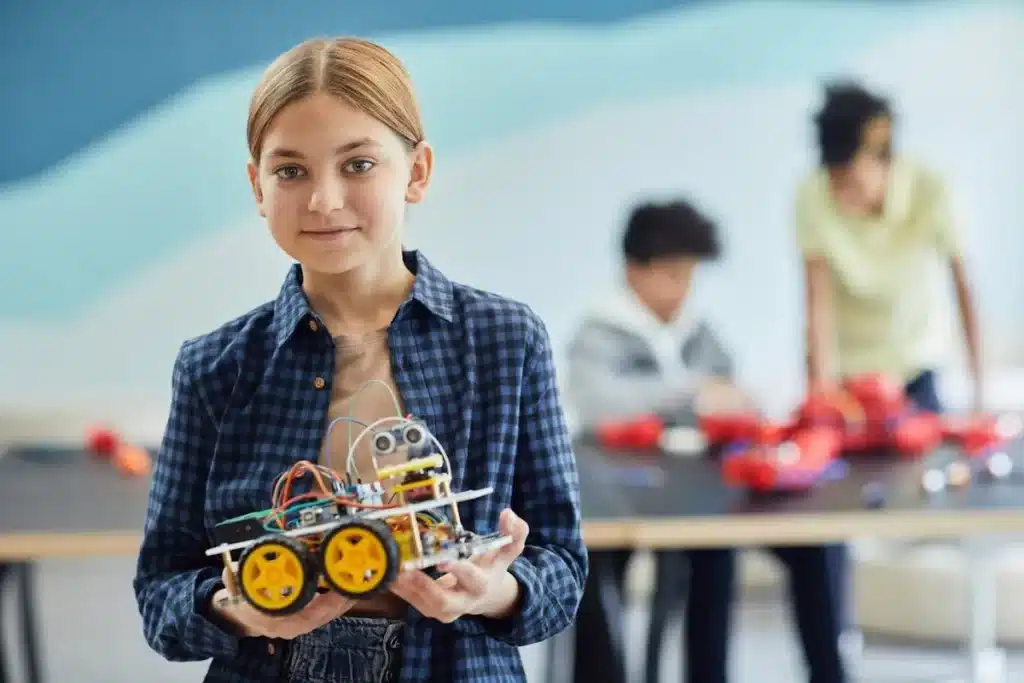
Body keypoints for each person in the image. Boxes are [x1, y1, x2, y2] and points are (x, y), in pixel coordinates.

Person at [132, 36, 587, 683]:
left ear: (418, 172)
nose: (322, 200)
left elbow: (562, 567)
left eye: (359, 164)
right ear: (257, 185)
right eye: (290, 170)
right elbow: (161, 594)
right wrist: (240, 609)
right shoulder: (214, 366)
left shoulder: (505, 341)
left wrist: (492, 592)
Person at [566, 200, 846, 683]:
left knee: (730, 548)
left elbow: (732, 390)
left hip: (696, 493)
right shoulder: (598, 331)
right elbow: (598, 403)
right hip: (618, 498)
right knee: (594, 573)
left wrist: (734, 400)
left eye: (689, 275)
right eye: (673, 275)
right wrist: (694, 391)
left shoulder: (697, 331)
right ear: (636, 270)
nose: (683, 290)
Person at [798, 80, 982, 413]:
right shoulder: (812, 196)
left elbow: (963, 286)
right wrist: (820, 393)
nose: (842, 194)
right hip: (849, 376)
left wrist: (979, 392)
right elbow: (817, 304)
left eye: (851, 180)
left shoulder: (931, 188)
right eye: (834, 182)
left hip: (915, 367)